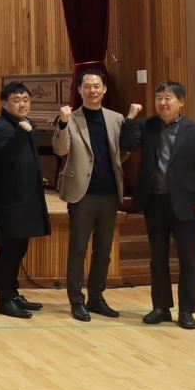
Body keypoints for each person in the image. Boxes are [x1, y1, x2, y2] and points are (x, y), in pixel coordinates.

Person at [121, 81, 195, 330]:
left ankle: (187, 310)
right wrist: (130, 117)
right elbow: (127, 145)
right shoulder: (147, 126)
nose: (162, 102)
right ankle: (161, 308)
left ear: (181, 102)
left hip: (187, 204)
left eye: (168, 98)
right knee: (158, 258)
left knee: (188, 258)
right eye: (159, 98)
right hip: (155, 202)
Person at [52, 69, 134, 322]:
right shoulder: (70, 117)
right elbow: (60, 149)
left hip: (109, 193)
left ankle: (96, 298)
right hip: (82, 194)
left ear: (104, 89)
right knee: (78, 249)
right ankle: (77, 300)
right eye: (87, 86)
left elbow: (122, 152)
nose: (92, 90)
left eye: (97, 86)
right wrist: (63, 123)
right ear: (79, 90)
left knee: (103, 251)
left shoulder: (116, 118)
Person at [0, 81, 51, 319]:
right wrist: (22, 133)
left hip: (25, 201)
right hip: (10, 204)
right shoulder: (1, 128)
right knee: (8, 252)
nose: (22, 104)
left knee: (19, 249)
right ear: (4, 103)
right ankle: (3, 300)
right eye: (16, 100)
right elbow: (3, 159)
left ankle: (12, 294)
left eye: (25, 100)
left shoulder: (22, 123)